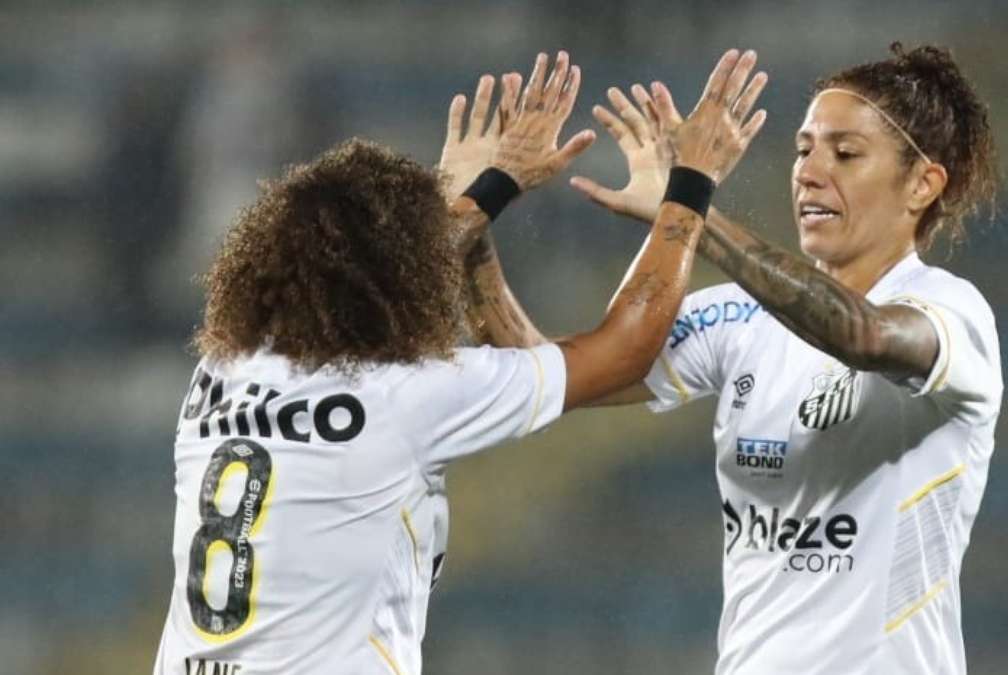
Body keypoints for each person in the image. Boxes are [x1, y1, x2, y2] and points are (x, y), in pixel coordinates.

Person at [153, 50, 766, 675]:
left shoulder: (220, 374)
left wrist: (486, 191)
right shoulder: (407, 397)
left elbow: (368, 279)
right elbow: (623, 351)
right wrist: (691, 185)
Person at [459, 45, 1002, 673]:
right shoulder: (737, 317)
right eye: (803, 150)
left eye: (846, 153)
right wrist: (475, 218)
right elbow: (544, 376)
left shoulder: (952, 313)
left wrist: (688, 203)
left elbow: (863, 335)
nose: (809, 172)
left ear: (922, 184)